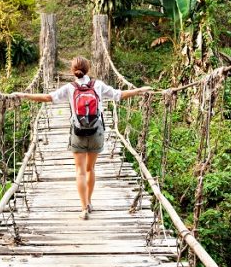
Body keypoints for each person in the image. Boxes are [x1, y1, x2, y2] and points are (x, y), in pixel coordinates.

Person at [12, 56, 150, 219]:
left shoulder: (70, 88)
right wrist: (140, 90)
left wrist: (23, 95)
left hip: (77, 132)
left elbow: (48, 98)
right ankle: (89, 201)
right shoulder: (97, 85)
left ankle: (83, 208)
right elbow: (119, 95)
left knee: (80, 171)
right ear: (88, 69)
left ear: (72, 71)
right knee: (90, 169)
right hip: (96, 131)